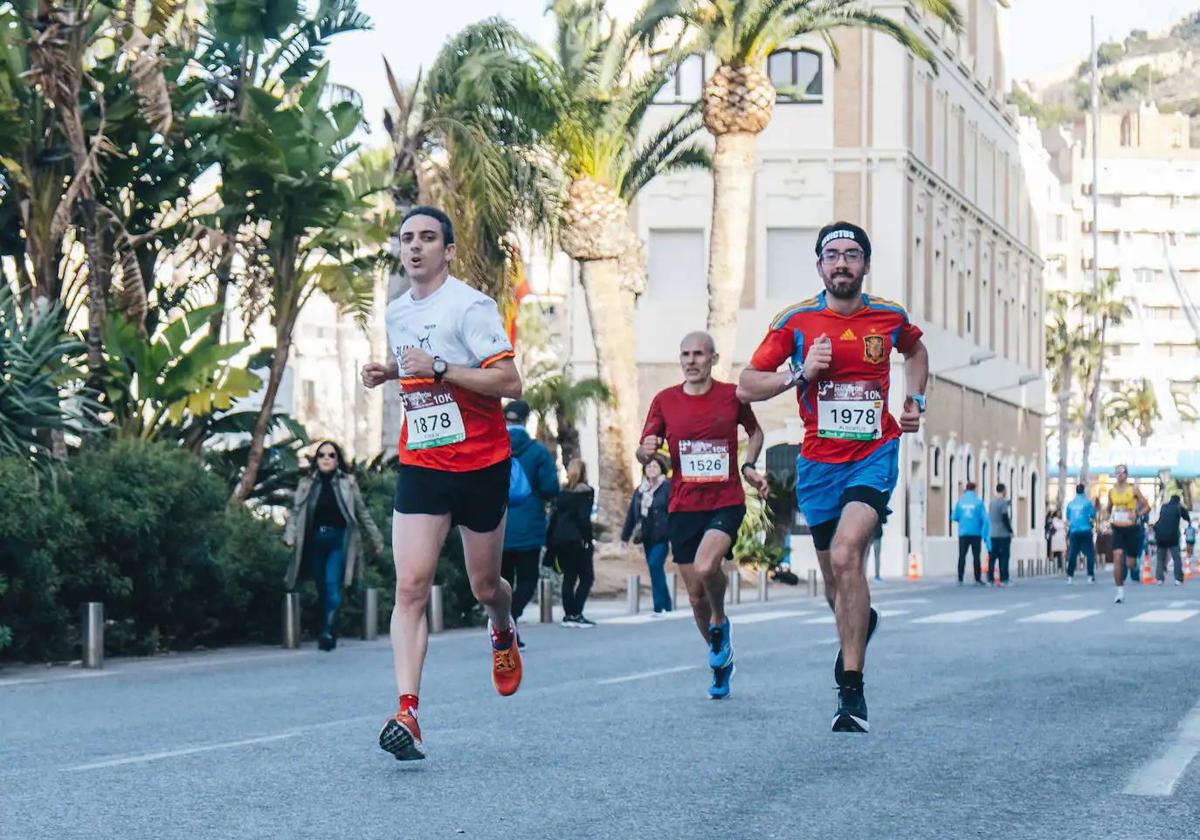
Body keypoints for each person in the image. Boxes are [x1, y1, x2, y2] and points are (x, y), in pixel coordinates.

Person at [737, 221, 928, 732]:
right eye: (833, 255)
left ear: (865, 264)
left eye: (852, 255)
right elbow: (746, 385)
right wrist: (800, 373)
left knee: (847, 554)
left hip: (874, 452)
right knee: (833, 583)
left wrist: (915, 401)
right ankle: (860, 626)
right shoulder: (796, 323)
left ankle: (851, 690)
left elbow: (915, 351)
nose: (842, 263)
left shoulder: (889, 317)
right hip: (819, 463)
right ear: (819, 265)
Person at [361, 206, 524, 762]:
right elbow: (417, 366)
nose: (415, 247)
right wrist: (392, 372)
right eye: (407, 238)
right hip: (424, 461)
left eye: (428, 238)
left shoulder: (472, 307)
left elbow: (509, 381)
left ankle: (502, 627)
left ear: (447, 251)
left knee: (484, 586)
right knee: (410, 586)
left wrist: (440, 371)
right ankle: (408, 711)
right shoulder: (396, 311)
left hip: (481, 463)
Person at [641, 331, 767, 700]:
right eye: (685, 354)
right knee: (694, 595)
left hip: (725, 499)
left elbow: (755, 431)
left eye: (699, 354)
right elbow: (644, 451)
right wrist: (645, 450)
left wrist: (748, 465)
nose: (691, 360)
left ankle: (719, 619)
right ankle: (719, 655)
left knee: (707, 565)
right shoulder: (664, 401)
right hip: (682, 505)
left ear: (713, 358)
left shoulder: (731, 395)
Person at [283, 441, 384, 651]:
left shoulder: (348, 483)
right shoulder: (306, 484)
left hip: (339, 541)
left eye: (331, 455)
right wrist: (290, 535)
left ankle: (328, 632)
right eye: (321, 455)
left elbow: (361, 512)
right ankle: (328, 626)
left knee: (331, 583)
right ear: (316, 459)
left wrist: (376, 539)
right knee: (322, 588)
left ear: (337, 460)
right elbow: (295, 512)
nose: (326, 459)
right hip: (315, 542)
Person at [501, 399, 560, 647]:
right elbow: (550, 488)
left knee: (502, 580)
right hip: (529, 524)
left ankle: (502, 624)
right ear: (526, 420)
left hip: (497, 524)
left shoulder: (493, 447)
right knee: (527, 579)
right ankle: (509, 621)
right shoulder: (538, 452)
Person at [546, 459, 596, 627]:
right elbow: (584, 519)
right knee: (587, 577)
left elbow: (554, 518)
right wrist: (588, 539)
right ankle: (576, 612)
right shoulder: (585, 493)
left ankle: (569, 615)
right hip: (577, 540)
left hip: (560, 539)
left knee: (569, 577)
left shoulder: (562, 494)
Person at [621, 453, 673, 614]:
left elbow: (674, 511)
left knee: (654, 565)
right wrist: (625, 536)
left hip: (662, 535)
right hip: (646, 536)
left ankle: (659, 606)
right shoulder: (640, 490)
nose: (651, 469)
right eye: (648, 466)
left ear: (661, 469)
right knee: (654, 569)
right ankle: (666, 604)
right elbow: (632, 514)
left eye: (654, 466)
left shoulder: (667, 487)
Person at [1108, 464, 1150, 604]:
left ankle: (1136, 563)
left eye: (1122, 472)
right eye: (1117, 472)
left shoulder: (1133, 489)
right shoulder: (1111, 492)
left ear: (1126, 474)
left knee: (1130, 563)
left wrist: (1137, 513)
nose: (1120, 475)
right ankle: (1120, 591)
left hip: (1132, 529)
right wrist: (1111, 517)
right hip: (1118, 529)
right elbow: (1108, 508)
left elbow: (1147, 506)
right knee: (1117, 556)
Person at [951, 481, 987, 586]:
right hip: (976, 533)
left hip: (963, 533)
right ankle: (977, 578)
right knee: (976, 557)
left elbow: (954, 517)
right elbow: (984, 517)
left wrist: (963, 520)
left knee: (962, 555)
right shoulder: (978, 502)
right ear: (974, 489)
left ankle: (960, 578)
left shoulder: (960, 501)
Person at [1154, 493, 1191, 586]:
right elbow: (1186, 516)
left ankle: (1159, 579)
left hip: (1160, 535)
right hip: (1173, 536)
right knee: (1176, 558)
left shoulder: (1164, 506)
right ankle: (1178, 579)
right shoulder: (1178, 507)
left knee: (1160, 558)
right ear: (1178, 500)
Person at [1064, 483, 1097, 584]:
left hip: (1074, 531)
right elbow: (1092, 515)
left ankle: (1070, 577)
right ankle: (1090, 576)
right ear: (1083, 490)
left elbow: (1068, 518)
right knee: (1090, 554)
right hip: (1086, 530)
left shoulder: (1070, 504)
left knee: (1072, 554)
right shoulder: (1087, 503)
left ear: (1076, 491)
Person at [987, 484, 1013, 587]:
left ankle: (990, 579)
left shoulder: (992, 502)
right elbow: (1004, 517)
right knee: (1004, 556)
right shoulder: (1002, 502)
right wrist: (1010, 530)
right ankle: (1004, 579)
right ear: (1003, 490)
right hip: (1003, 533)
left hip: (993, 533)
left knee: (993, 557)